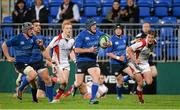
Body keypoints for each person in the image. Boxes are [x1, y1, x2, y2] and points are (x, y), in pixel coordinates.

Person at [1, 22, 54, 103]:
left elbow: (42, 50)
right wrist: (8, 57)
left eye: (32, 29)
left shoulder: (34, 38)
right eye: (30, 29)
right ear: (25, 30)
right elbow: (4, 45)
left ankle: (49, 101)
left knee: (46, 79)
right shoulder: (18, 38)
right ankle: (20, 89)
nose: (32, 31)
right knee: (33, 75)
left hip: (33, 63)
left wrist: (50, 59)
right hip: (21, 63)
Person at [72, 18, 111, 104]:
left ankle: (92, 99)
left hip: (92, 60)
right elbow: (76, 50)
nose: (95, 27)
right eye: (93, 25)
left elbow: (108, 38)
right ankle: (74, 86)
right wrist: (88, 50)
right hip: (81, 60)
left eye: (95, 25)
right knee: (78, 83)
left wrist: (109, 43)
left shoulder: (99, 33)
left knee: (96, 78)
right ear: (88, 26)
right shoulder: (81, 35)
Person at [44, 21, 75, 103]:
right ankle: (50, 78)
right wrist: (49, 60)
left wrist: (74, 59)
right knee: (62, 81)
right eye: (67, 28)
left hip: (66, 63)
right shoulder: (57, 38)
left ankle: (56, 98)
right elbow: (47, 49)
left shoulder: (72, 40)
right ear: (63, 29)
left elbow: (71, 51)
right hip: (57, 63)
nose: (69, 30)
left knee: (65, 83)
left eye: (70, 28)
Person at [126, 30, 156, 104]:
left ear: (154, 38)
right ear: (147, 37)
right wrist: (134, 59)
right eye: (149, 37)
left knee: (149, 82)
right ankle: (140, 100)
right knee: (141, 84)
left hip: (144, 63)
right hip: (135, 64)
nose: (150, 39)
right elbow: (129, 49)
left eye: (152, 37)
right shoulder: (142, 43)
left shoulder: (154, 42)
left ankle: (133, 78)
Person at [106, 24, 134, 99]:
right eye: (117, 29)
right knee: (120, 82)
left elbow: (127, 47)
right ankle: (119, 96)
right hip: (115, 64)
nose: (118, 31)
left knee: (133, 75)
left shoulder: (125, 37)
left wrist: (127, 54)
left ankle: (125, 79)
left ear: (122, 30)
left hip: (124, 62)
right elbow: (108, 53)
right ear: (114, 30)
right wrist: (118, 58)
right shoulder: (111, 40)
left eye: (120, 29)